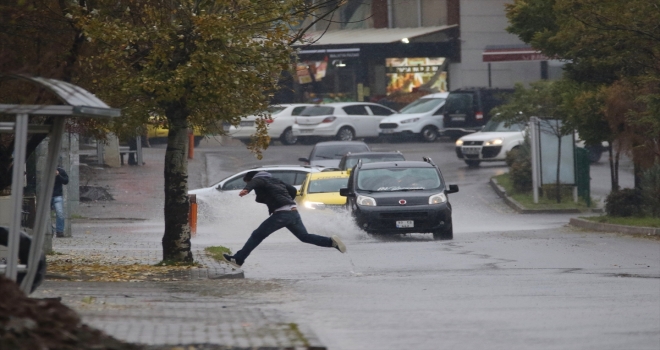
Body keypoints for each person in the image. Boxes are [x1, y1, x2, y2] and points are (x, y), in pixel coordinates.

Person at [223, 171, 346, 267]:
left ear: (252, 179)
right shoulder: (276, 181)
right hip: (293, 212)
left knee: (257, 235)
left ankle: (238, 259)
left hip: (282, 214)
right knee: (304, 237)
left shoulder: (259, 179)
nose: (250, 185)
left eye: (247, 182)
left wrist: (246, 190)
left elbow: (255, 183)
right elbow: (292, 190)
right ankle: (331, 242)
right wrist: (287, 200)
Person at [51, 166, 69, 238]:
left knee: (60, 213)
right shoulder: (45, 170)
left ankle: (59, 231)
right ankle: (50, 230)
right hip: (47, 195)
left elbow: (66, 181)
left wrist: (58, 175)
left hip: (57, 195)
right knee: (45, 215)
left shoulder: (61, 171)